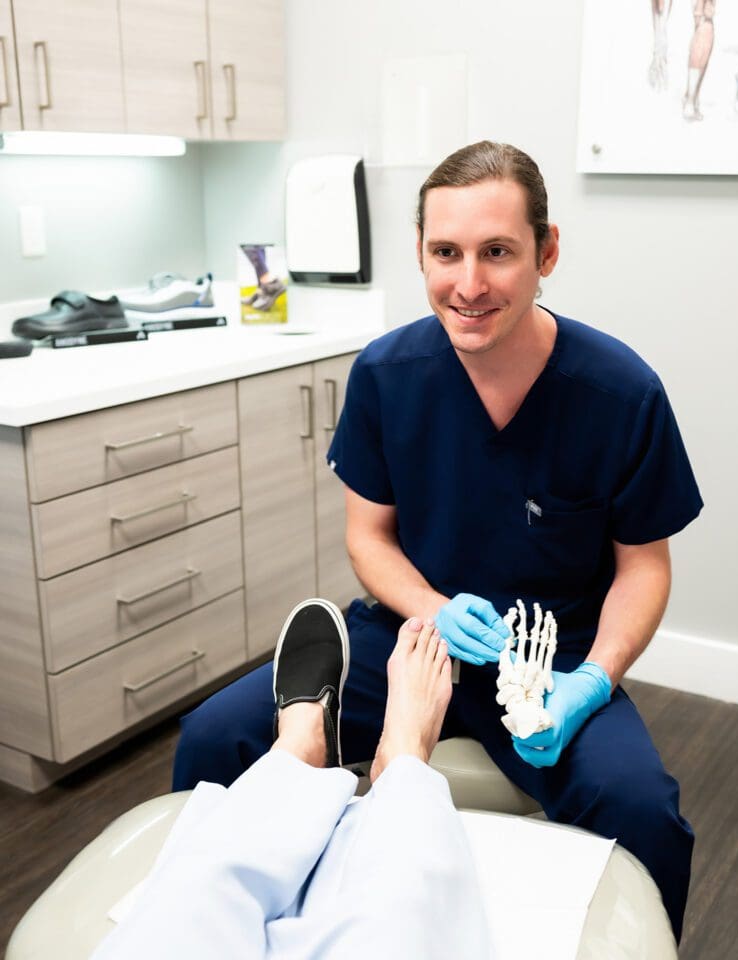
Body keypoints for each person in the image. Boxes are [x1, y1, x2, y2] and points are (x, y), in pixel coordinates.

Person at [174, 140, 702, 943]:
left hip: (548, 663)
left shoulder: (620, 392)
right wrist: (433, 609)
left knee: (644, 811)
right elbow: (368, 537)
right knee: (215, 735)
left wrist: (592, 682)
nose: (470, 284)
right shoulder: (389, 373)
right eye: (445, 252)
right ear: (419, 252)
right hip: (407, 633)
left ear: (546, 251)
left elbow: (643, 568)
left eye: (498, 252)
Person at [93, 599, 491, 960]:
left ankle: (298, 754)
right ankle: (403, 757)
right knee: (400, 908)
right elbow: (367, 538)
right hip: (413, 612)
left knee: (195, 898)